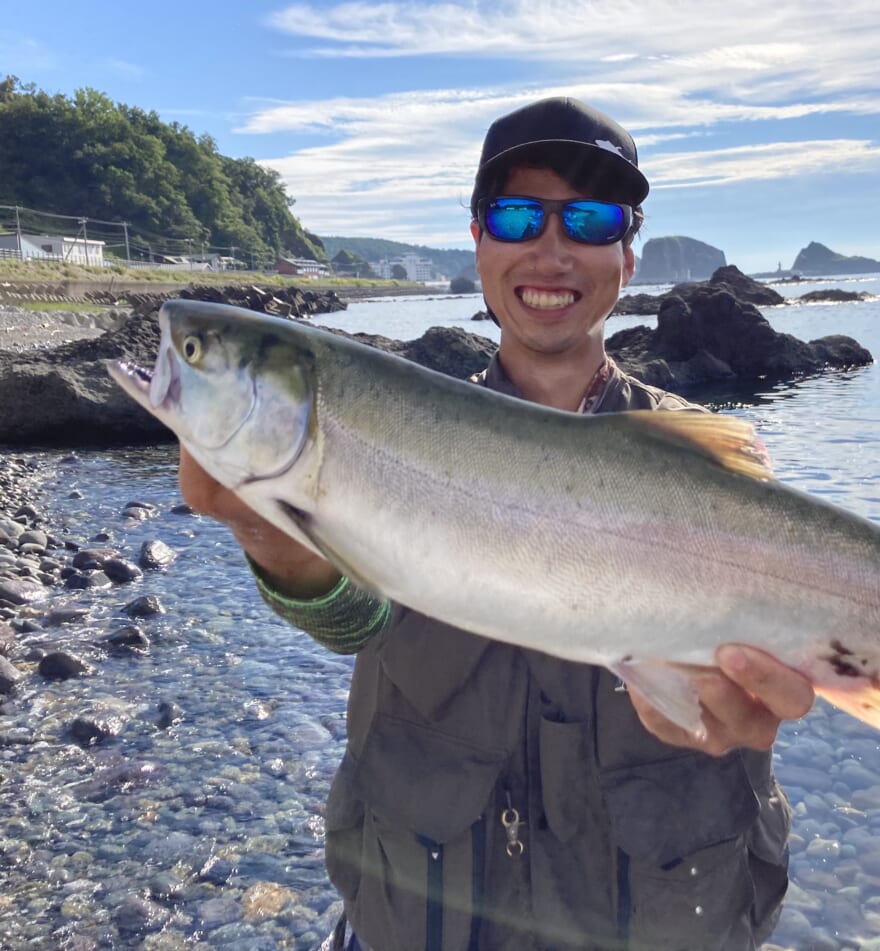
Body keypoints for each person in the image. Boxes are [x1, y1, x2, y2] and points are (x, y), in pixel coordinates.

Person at [179, 97, 814, 951]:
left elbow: (788, 667)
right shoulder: (385, 429)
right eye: (518, 214)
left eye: (590, 219)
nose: (551, 249)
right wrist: (261, 530)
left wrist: (754, 700)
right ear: (478, 237)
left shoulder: (708, 471)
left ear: (628, 253)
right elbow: (360, 619)